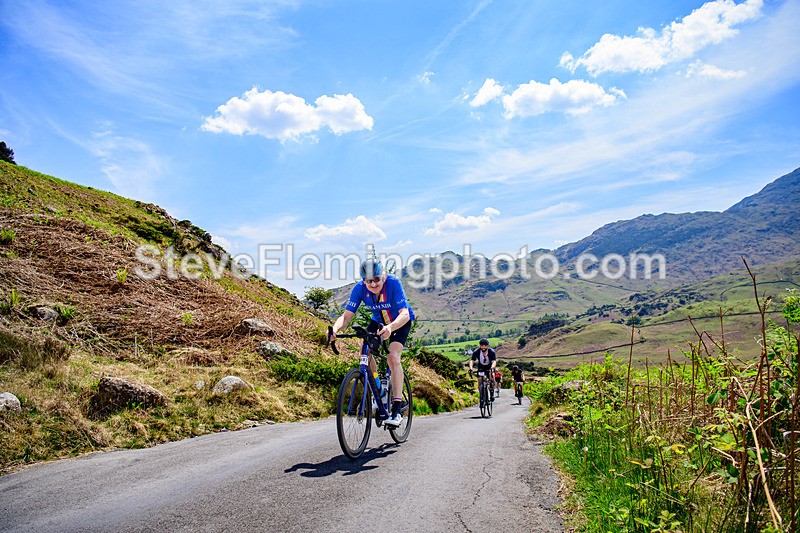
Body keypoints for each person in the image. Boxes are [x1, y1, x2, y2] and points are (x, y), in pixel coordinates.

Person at [329, 258, 414, 427]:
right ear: (363, 281)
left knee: (392, 357)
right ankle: (378, 389)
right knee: (364, 350)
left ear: (383, 276)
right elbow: (346, 317)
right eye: (369, 281)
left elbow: (404, 313)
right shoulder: (359, 289)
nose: (373, 284)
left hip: (399, 321)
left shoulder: (393, 283)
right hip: (378, 321)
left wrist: (390, 327)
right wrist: (335, 329)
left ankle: (397, 409)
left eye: (376, 279)